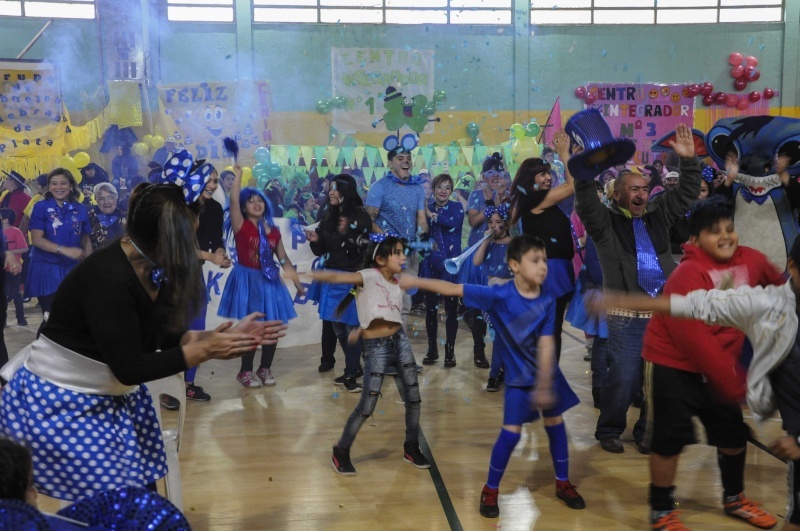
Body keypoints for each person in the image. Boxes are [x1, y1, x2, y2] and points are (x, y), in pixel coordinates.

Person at [0, 181, 287, 501]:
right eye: (188, 235)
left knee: (139, 498)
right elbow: (129, 367)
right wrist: (204, 351)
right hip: (58, 402)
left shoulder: (151, 268)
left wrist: (215, 338)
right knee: (118, 505)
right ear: (166, 236)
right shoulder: (108, 275)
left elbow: (164, 335)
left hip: (106, 397)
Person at [593, 236, 800, 531]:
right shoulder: (696, 275)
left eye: (728, 228)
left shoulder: (749, 266)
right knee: (669, 440)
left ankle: (734, 496)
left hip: (718, 366)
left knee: (732, 434)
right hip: (674, 364)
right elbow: (684, 306)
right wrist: (619, 300)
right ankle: (661, 510)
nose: (725, 237)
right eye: (716, 231)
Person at [401, 235, 585, 516]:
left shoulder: (548, 300)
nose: (543, 266)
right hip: (518, 380)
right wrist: (415, 282)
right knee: (510, 435)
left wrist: (546, 383)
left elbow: (548, 343)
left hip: (546, 375)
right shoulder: (498, 294)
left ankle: (563, 482)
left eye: (544, 260)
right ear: (514, 265)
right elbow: (451, 288)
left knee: (556, 426)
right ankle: (490, 490)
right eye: (535, 260)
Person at [574, 123, 701, 454]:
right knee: (627, 376)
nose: (641, 194)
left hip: (663, 310)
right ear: (618, 194)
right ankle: (610, 428)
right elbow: (587, 205)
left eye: (645, 188)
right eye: (633, 189)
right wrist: (585, 171)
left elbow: (687, 194)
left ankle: (647, 430)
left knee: (658, 378)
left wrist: (688, 161)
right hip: (626, 312)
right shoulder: (605, 224)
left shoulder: (658, 215)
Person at [311, 235, 430, 476]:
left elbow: (385, 307)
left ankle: (411, 446)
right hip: (377, 348)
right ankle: (341, 450)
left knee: (414, 399)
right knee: (367, 405)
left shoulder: (398, 280)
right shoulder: (368, 275)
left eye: (403, 252)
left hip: (401, 341)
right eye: (397, 253)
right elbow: (337, 277)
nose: (404, 256)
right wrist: (302, 275)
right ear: (380, 259)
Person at [218, 166, 303, 388]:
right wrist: (238, 177)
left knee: (272, 326)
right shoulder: (241, 225)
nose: (257, 204)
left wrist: (296, 281)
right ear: (244, 208)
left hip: (270, 280)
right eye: (251, 201)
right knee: (253, 327)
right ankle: (245, 371)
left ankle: (264, 368)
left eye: (260, 201)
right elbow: (234, 201)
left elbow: (283, 258)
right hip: (248, 279)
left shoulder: (273, 231)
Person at [508, 131, 575, 364]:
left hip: (554, 270)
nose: (548, 177)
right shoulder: (535, 199)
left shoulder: (532, 200)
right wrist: (564, 154)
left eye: (548, 173)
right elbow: (572, 185)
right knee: (549, 330)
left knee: (548, 328)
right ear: (530, 179)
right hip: (550, 272)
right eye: (542, 174)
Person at [306, 174, 371, 392]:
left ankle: (352, 375)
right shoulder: (329, 215)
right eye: (330, 188)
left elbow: (363, 248)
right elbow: (324, 248)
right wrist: (316, 241)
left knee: (351, 328)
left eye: (335, 189)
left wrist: (348, 233)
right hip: (332, 277)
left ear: (346, 191)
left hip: (351, 278)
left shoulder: (360, 217)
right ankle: (354, 368)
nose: (330, 192)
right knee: (337, 328)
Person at [25, 168, 93, 330]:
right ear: (49, 186)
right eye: (54, 184)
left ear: (71, 186)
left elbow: (85, 239)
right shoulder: (41, 207)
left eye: (63, 183)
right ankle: (42, 353)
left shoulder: (81, 209)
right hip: (47, 269)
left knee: (74, 317)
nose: (58, 187)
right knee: (53, 318)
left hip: (73, 269)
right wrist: (65, 250)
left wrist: (89, 266)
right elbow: (37, 239)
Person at [186, 166, 232, 402]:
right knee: (175, 332)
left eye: (215, 181)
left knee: (196, 328)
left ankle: (188, 385)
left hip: (195, 274)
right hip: (170, 276)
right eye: (209, 180)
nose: (213, 185)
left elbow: (216, 238)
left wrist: (220, 252)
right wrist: (210, 256)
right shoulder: (179, 205)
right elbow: (177, 247)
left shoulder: (213, 207)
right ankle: (168, 386)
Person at [465, 153, 507, 364]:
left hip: (501, 255)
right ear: (483, 176)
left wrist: (501, 198)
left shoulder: (507, 194)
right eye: (490, 172)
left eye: (499, 171)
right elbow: (474, 222)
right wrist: (489, 204)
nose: (495, 176)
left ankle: (500, 355)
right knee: (479, 304)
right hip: (480, 253)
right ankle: (479, 350)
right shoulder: (476, 195)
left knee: (498, 306)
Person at [420, 173, 464, 367]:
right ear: (434, 189)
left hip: (451, 266)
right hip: (430, 265)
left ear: (451, 191)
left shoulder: (456, 208)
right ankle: (432, 349)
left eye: (447, 187)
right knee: (430, 309)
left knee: (451, 309)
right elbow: (421, 232)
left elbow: (452, 223)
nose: (443, 191)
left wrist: (431, 216)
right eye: (439, 187)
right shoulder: (426, 210)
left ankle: (450, 350)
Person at [472, 204, 513, 390]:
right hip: (491, 296)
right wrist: (485, 240)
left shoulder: (514, 244)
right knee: (497, 337)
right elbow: (476, 261)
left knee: (503, 338)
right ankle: (500, 371)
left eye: (498, 222)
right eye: (490, 222)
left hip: (510, 297)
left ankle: (494, 375)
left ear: (506, 223)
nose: (494, 226)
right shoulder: (488, 242)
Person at [1, 209, 28, 326]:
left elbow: (24, 248)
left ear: (6, 220)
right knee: (2, 295)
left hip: (13, 268)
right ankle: (3, 320)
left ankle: (21, 318)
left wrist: (8, 252)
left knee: (16, 293)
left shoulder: (16, 232)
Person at [87, 182, 126, 251]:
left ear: (116, 198)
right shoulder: (88, 218)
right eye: (101, 198)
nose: (106, 202)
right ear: (96, 200)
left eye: (110, 197)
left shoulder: (126, 217)